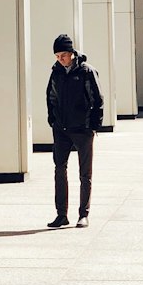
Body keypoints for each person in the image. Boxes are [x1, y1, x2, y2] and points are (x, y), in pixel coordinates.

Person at [45, 34, 103, 229]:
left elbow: (97, 100)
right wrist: (52, 120)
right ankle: (61, 214)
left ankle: (83, 214)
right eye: (56, 56)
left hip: (82, 129)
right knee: (59, 169)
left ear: (71, 53)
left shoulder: (87, 71)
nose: (59, 59)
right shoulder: (56, 72)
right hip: (61, 129)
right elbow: (50, 97)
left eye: (62, 55)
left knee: (84, 174)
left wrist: (93, 126)